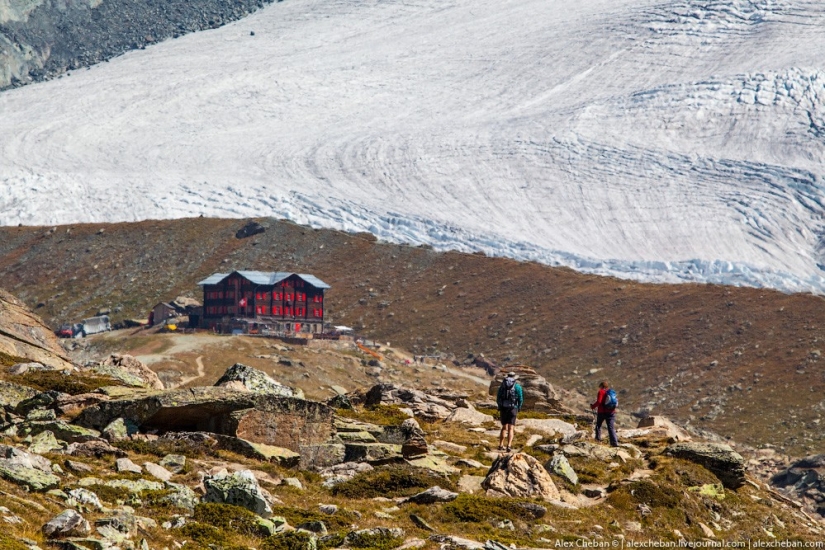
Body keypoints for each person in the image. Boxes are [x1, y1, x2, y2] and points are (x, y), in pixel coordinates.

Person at [496, 372, 524, 452]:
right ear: (515, 377)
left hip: (504, 407)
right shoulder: (517, 386)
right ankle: (509, 446)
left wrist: (500, 406)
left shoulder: (502, 386)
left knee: (504, 427)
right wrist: (518, 407)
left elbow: (498, 397)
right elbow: (520, 398)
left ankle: (501, 445)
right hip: (513, 408)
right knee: (511, 428)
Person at [590, 380, 619, 447]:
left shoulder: (601, 392)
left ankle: (598, 440)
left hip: (602, 412)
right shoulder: (610, 392)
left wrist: (593, 406)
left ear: (601, 386)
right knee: (611, 428)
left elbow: (599, 402)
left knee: (598, 426)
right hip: (611, 412)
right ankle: (614, 442)